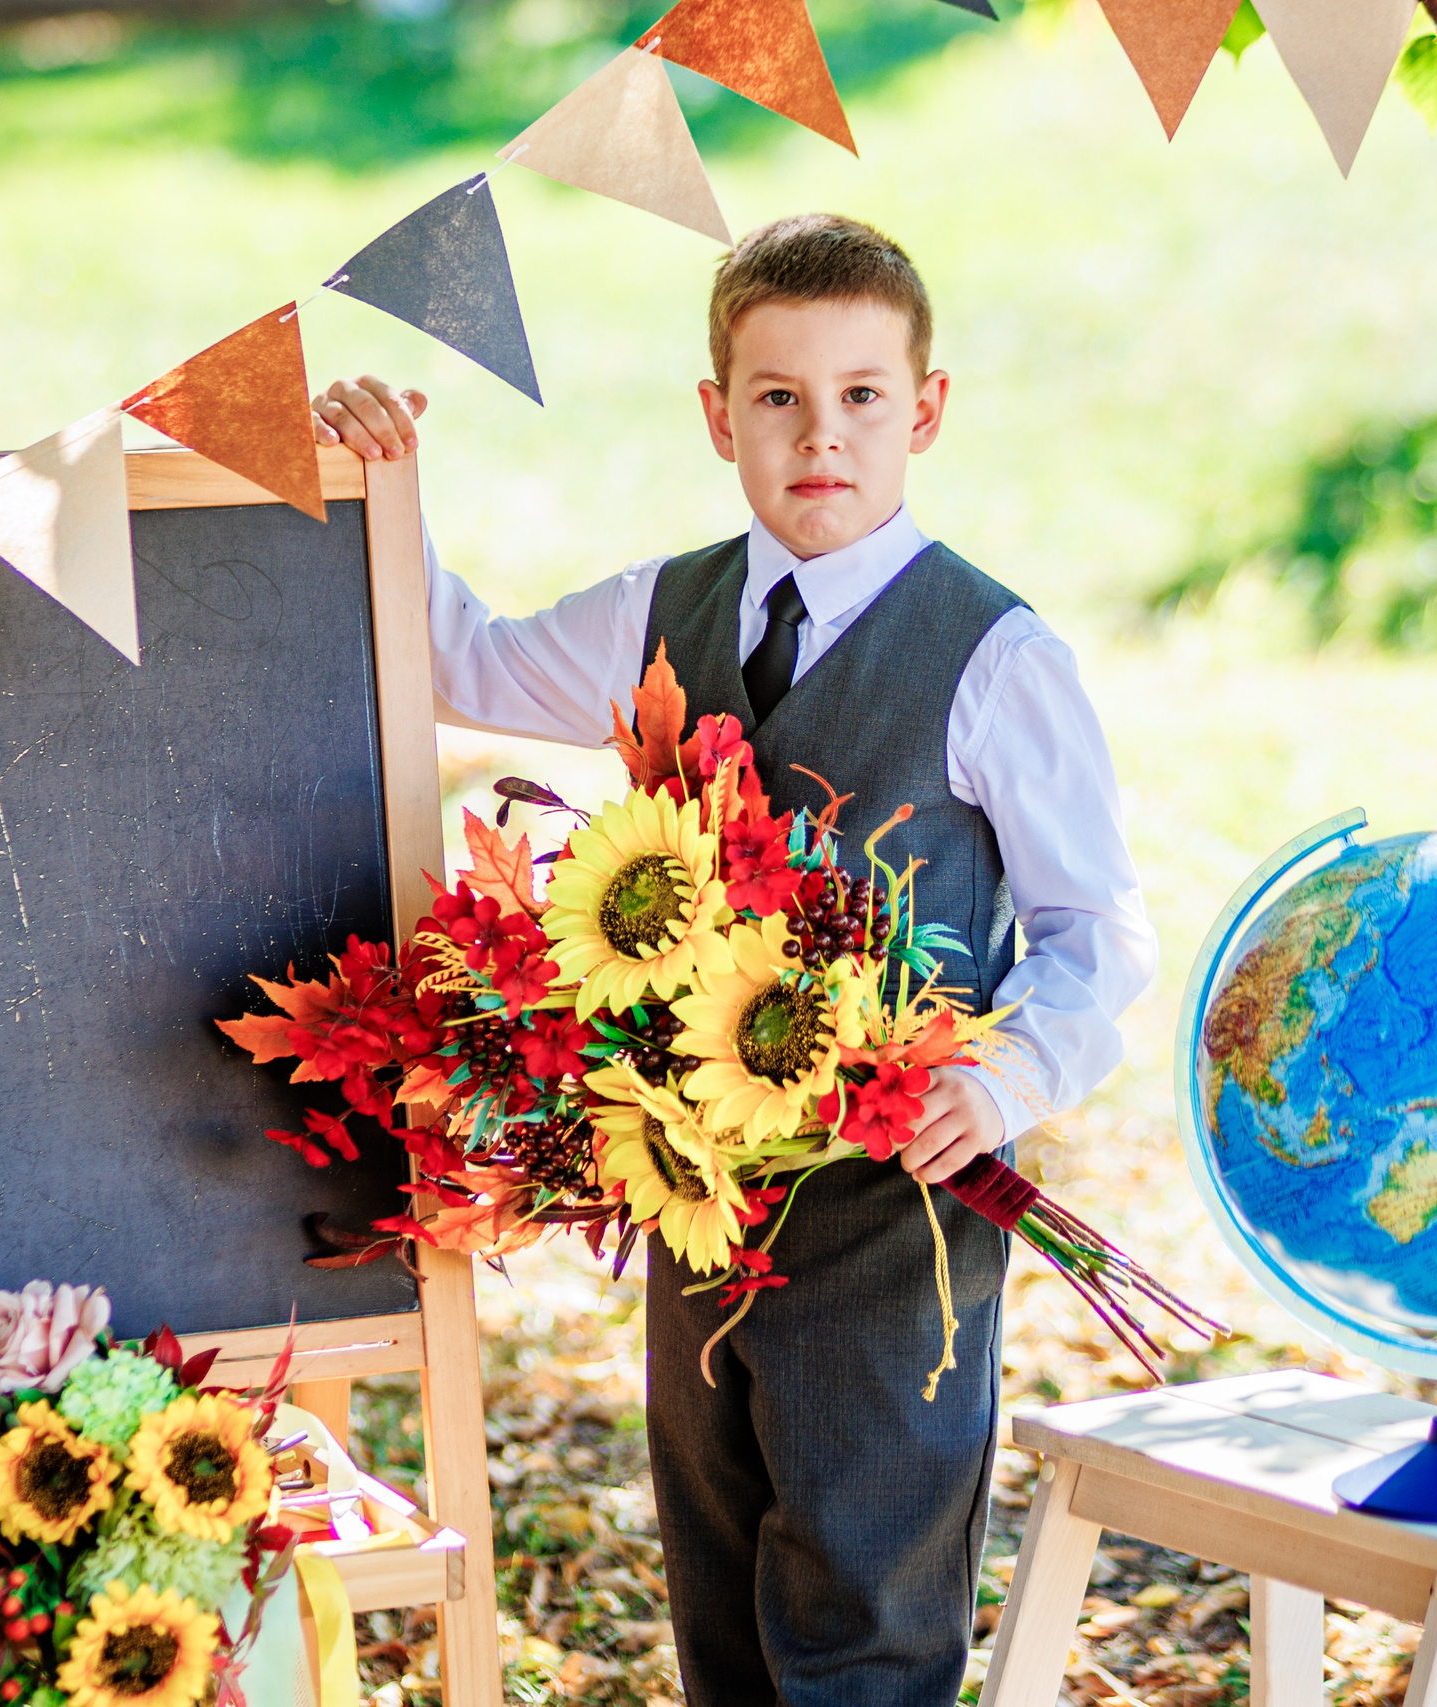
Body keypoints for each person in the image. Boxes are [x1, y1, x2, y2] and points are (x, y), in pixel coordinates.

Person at [314, 212, 1156, 1707]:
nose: (820, 434)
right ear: (719, 416)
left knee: (863, 1602)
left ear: (926, 411)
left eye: (860, 395)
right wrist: (381, 488)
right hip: (696, 1203)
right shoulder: (667, 611)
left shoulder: (994, 659)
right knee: (718, 1575)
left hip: (896, 1219)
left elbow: (1100, 935)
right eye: (778, 396)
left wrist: (1006, 1078)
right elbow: (460, 663)